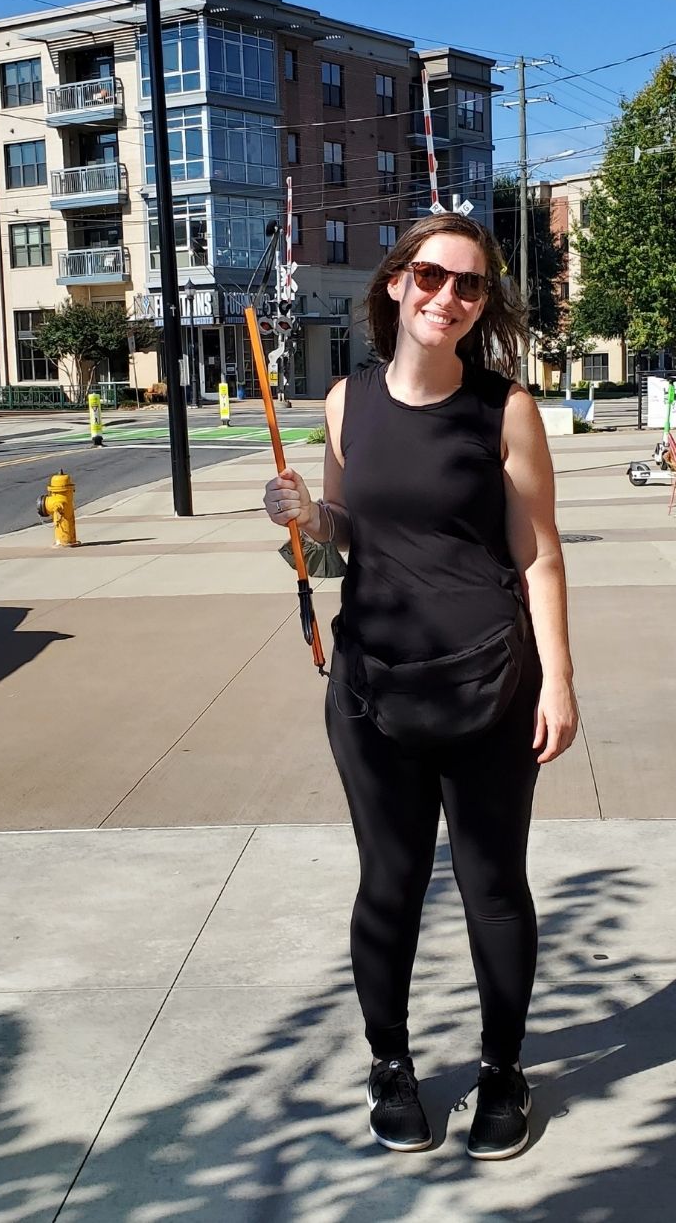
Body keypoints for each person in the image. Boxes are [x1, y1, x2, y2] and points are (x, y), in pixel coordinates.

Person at [260, 212, 577, 1161]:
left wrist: (557, 679)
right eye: (432, 276)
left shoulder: (503, 409)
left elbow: (541, 555)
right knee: (388, 885)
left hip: (491, 684)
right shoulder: (345, 403)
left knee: (492, 887)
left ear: (484, 304)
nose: (449, 297)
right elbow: (346, 537)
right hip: (370, 685)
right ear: (396, 282)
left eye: (470, 285)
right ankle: (389, 1066)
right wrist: (307, 513)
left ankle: (501, 1072)